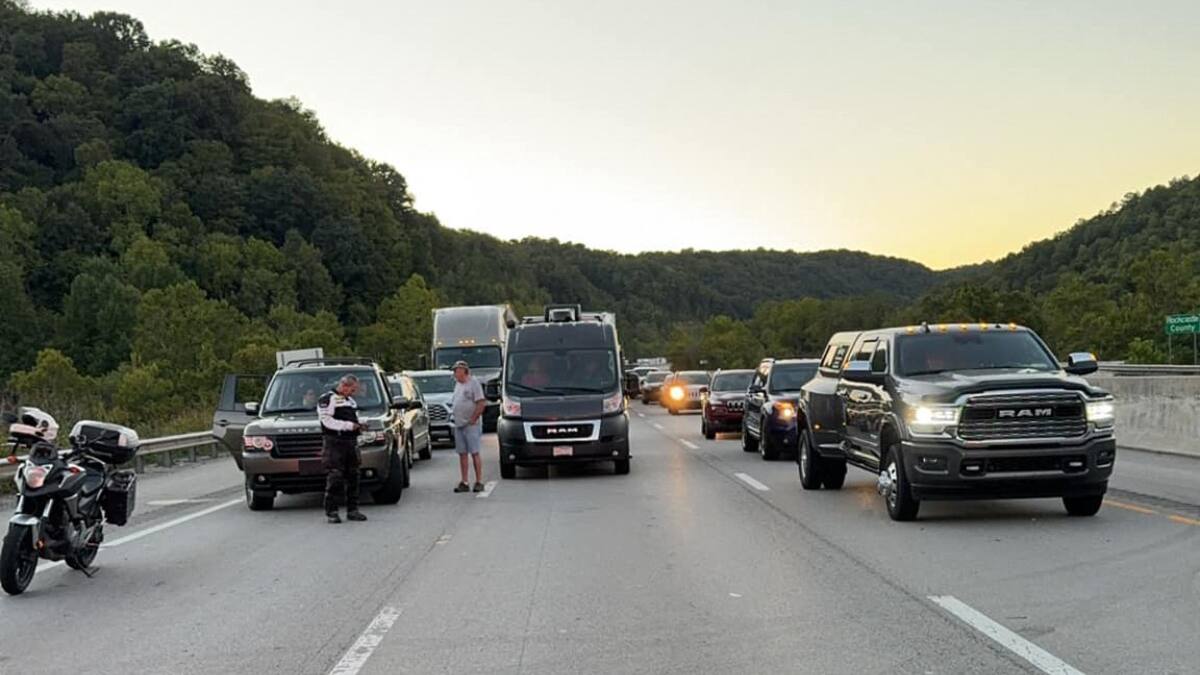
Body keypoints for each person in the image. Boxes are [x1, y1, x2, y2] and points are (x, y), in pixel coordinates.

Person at [318, 374, 366, 524]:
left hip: (351, 442)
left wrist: (360, 424)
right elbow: (327, 421)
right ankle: (332, 511)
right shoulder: (327, 399)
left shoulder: (350, 401)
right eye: (352, 389)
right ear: (344, 385)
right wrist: (349, 426)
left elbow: (354, 419)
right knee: (335, 476)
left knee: (354, 475)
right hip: (335, 442)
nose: (353, 393)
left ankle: (353, 510)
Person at [450, 360, 486, 492]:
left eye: (457, 370)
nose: (455, 373)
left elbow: (481, 402)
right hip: (459, 424)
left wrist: (473, 418)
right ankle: (464, 481)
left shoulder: (473, 383)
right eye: (454, 371)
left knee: (474, 452)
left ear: (464, 371)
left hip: (471, 424)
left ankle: (479, 481)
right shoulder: (457, 385)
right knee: (462, 453)